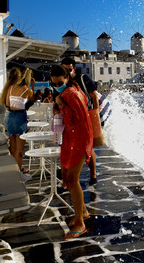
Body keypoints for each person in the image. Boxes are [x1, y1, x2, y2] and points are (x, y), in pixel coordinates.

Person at [50, 65, 93, 239]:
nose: (57, 85)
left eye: (60, 82)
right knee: (69, 177)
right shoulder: (71, 91)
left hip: (79, 139)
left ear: (67, 78)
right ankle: (83, 213)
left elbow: (79, 118)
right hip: (74, 139)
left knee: (71, 179)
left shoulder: (70, 94)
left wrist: (61, 106)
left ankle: (80, 223)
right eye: (54, 83)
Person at [60, 57, 100, 185]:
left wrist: (96, 113)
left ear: (74, 68)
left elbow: (93, 96)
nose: (67, 71)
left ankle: (93, 174)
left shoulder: (83, 78)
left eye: (69, 69)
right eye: (64, 69)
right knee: (67, 146)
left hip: (85, 116)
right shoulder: (61, 82)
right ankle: (65, 181)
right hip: (67, 118)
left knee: (88, 147)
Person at [0, 67, 35, 173]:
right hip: (20, 118)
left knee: (13, 148)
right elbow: (32, 99)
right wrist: (32, 86)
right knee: (19, 150)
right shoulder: (27, 90)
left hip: (10, 117)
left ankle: (15, 169)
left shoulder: (9, 88)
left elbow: (8, 105)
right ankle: (19, 171)